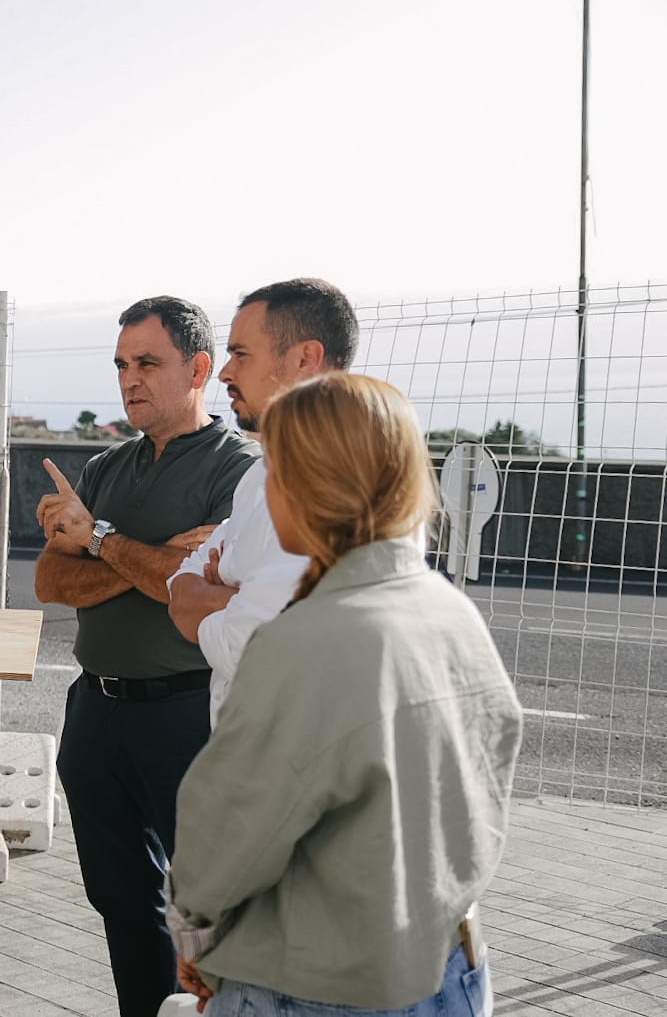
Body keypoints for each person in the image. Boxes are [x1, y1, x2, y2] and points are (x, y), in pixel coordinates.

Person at [168, 373, 523, 1017]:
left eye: (277, 471)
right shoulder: (450, 613)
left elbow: (229, 824)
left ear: (308, 484)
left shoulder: (302, 639)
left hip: (315, 985)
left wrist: (196, 937)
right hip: (449, 964)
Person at [33, 296, 260, 1014]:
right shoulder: (104, 466)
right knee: (121, 904)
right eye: (122, 365)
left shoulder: (238, 472)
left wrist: (95, 538)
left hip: (185, 716)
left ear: (197, 368)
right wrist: (152, 563)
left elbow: (183, 587)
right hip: (95, 715)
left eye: (147, 363)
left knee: (208, 909)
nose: (130, 379)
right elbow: (49, 580)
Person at [167, 278, 359, 724]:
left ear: (305, 359)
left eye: (241, 354)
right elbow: (179, 593)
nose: (225, 373)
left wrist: (221, 592)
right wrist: (238, 595)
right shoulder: (261, 475)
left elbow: (260, 644)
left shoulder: (341, 485)